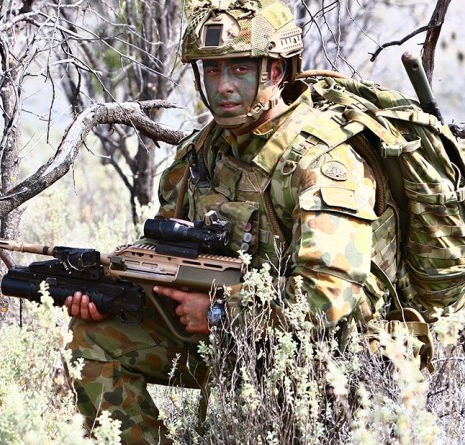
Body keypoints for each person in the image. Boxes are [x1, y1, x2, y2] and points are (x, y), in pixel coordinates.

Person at [64, 0, 398, 443]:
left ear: (275, 72)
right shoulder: (201, 153)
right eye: (212, 71)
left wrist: (221, 313)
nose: (223, 86)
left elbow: (329, 299)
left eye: (240, 69)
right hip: (230, 332)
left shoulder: (321, 160)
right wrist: (115, 295)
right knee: (91, 336)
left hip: (331, 356)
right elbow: (168, 255)